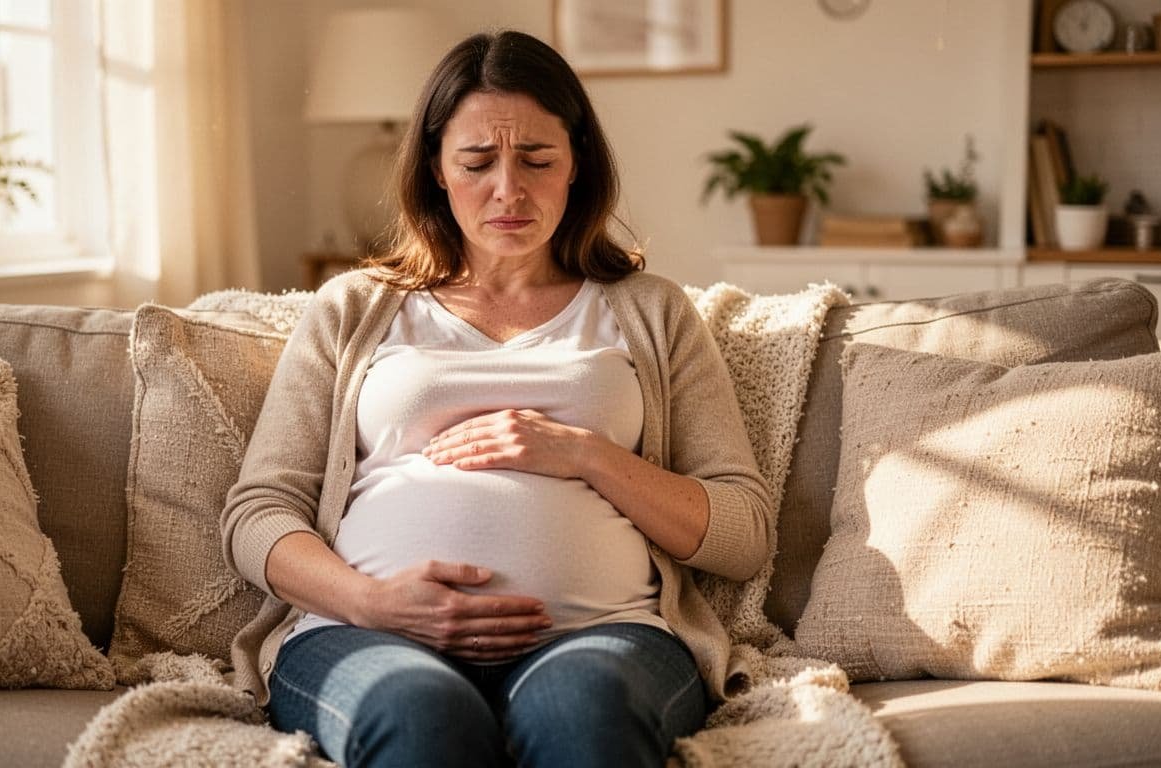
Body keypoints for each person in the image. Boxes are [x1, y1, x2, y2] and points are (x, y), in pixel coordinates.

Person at [221, 29, 772, 768]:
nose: (508, 190)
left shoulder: (650, 310)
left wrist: (583, 454)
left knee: (585, 714)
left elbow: (743, 531)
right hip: (367, 635)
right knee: (420, 717)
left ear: (577, 164)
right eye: (477, 162)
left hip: (602, 635)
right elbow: (257, 513)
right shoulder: (354, 308)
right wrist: (370, 602)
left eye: (537, 159)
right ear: (436, 172)